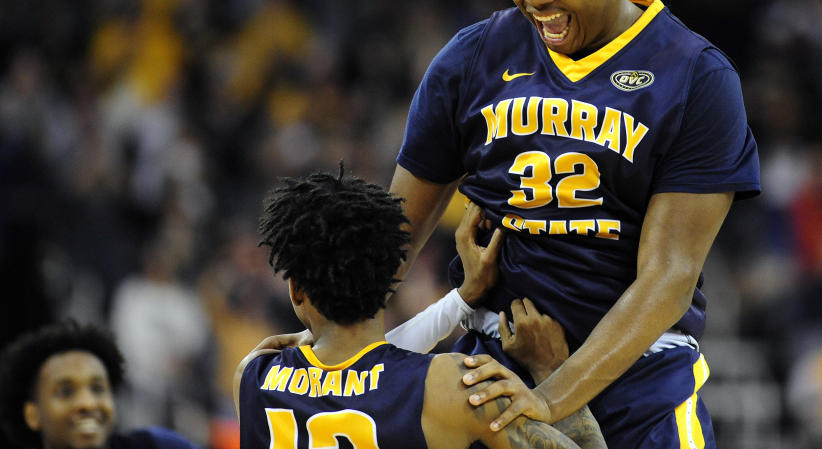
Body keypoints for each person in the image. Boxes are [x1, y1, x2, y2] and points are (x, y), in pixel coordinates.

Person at [390, 0, 761, 449]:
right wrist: (328, 333)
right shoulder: (470, 57)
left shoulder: (696, 76)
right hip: (490, 366)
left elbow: (668, 276)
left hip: (640, 380)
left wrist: (552, 395)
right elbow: (394, 236)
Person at [234, 168, 607, 449]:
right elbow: (381, 377)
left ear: (297, 291)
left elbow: (353, 375)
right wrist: (551, 369)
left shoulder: (252, 376)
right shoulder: (454, 385)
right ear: (390, 281)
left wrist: (461, 298)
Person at [0, 320, 200, 449]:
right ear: (32, 415)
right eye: (66, 391)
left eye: (98, 389)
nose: (88, 403)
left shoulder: (156, 445)